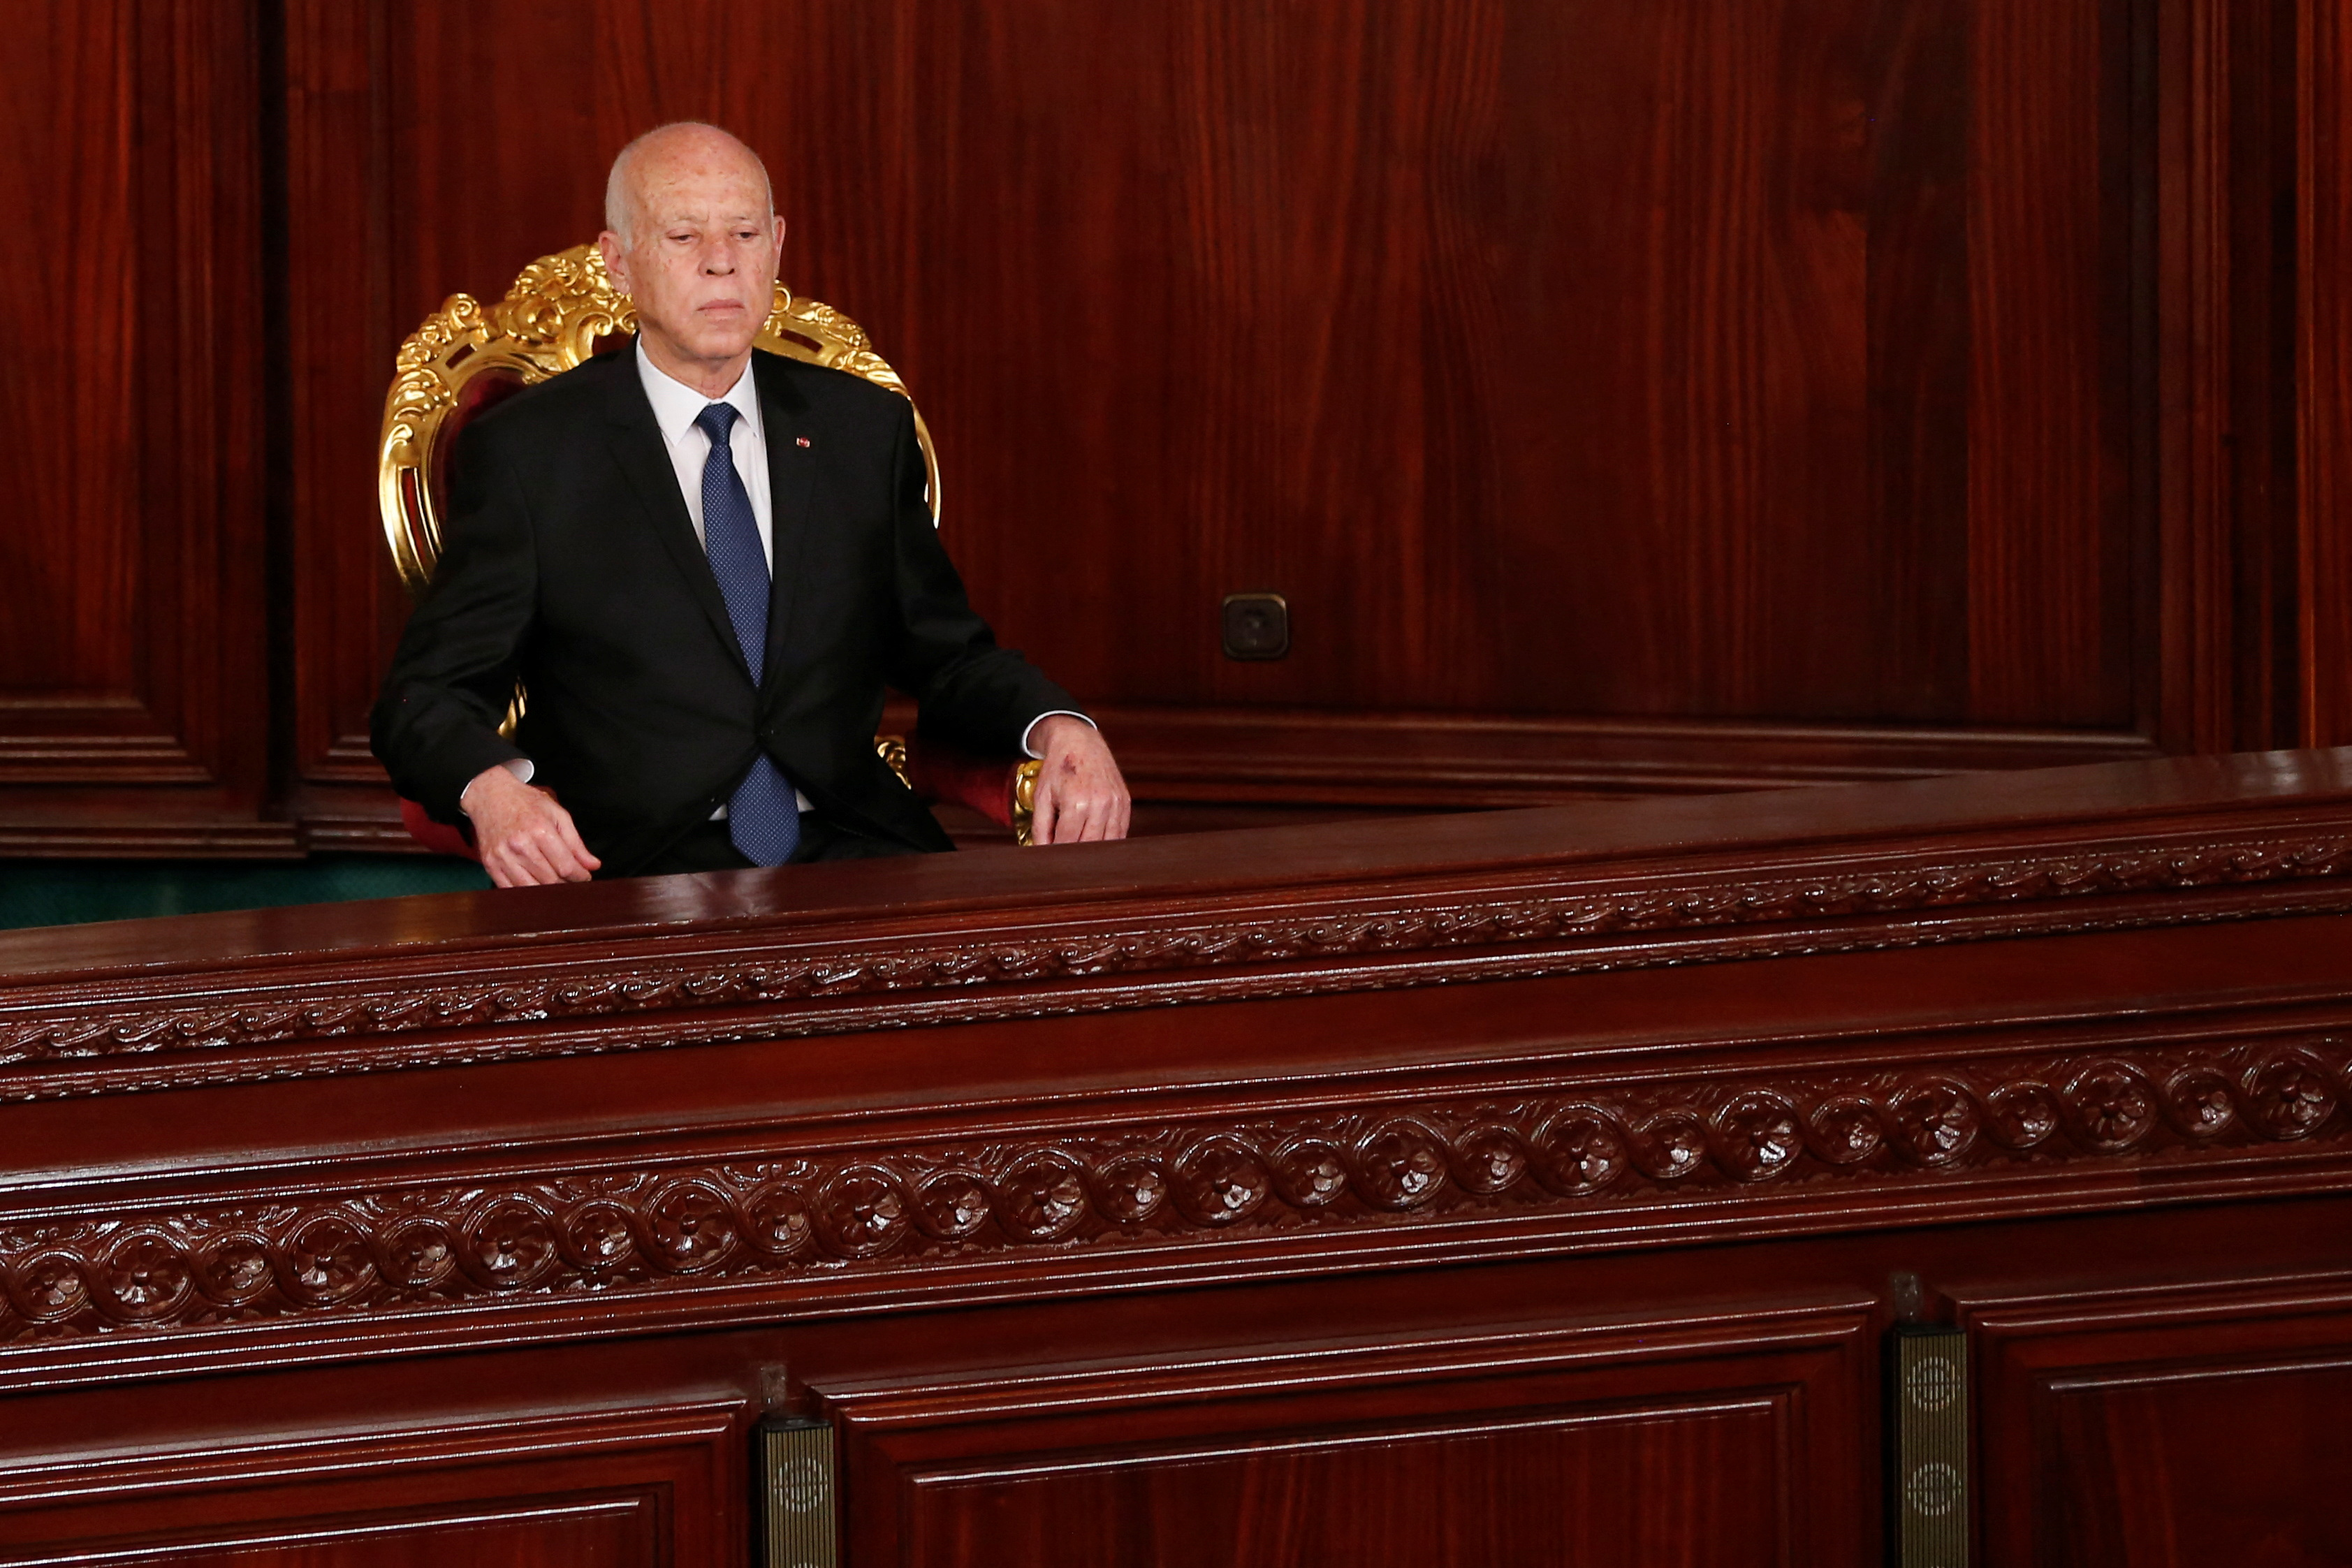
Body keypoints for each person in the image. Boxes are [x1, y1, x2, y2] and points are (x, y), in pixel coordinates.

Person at [372, 123, 1129, 886]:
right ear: (618, 262)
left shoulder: (859, 430)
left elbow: (949, 654)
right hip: (635, 866)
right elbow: (426, 696)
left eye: (743, 231)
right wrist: (492, 789)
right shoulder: (531, 453)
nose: (721, 260)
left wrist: (1057, 724)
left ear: (776, 244)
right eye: (683, 235)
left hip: (850, 846)